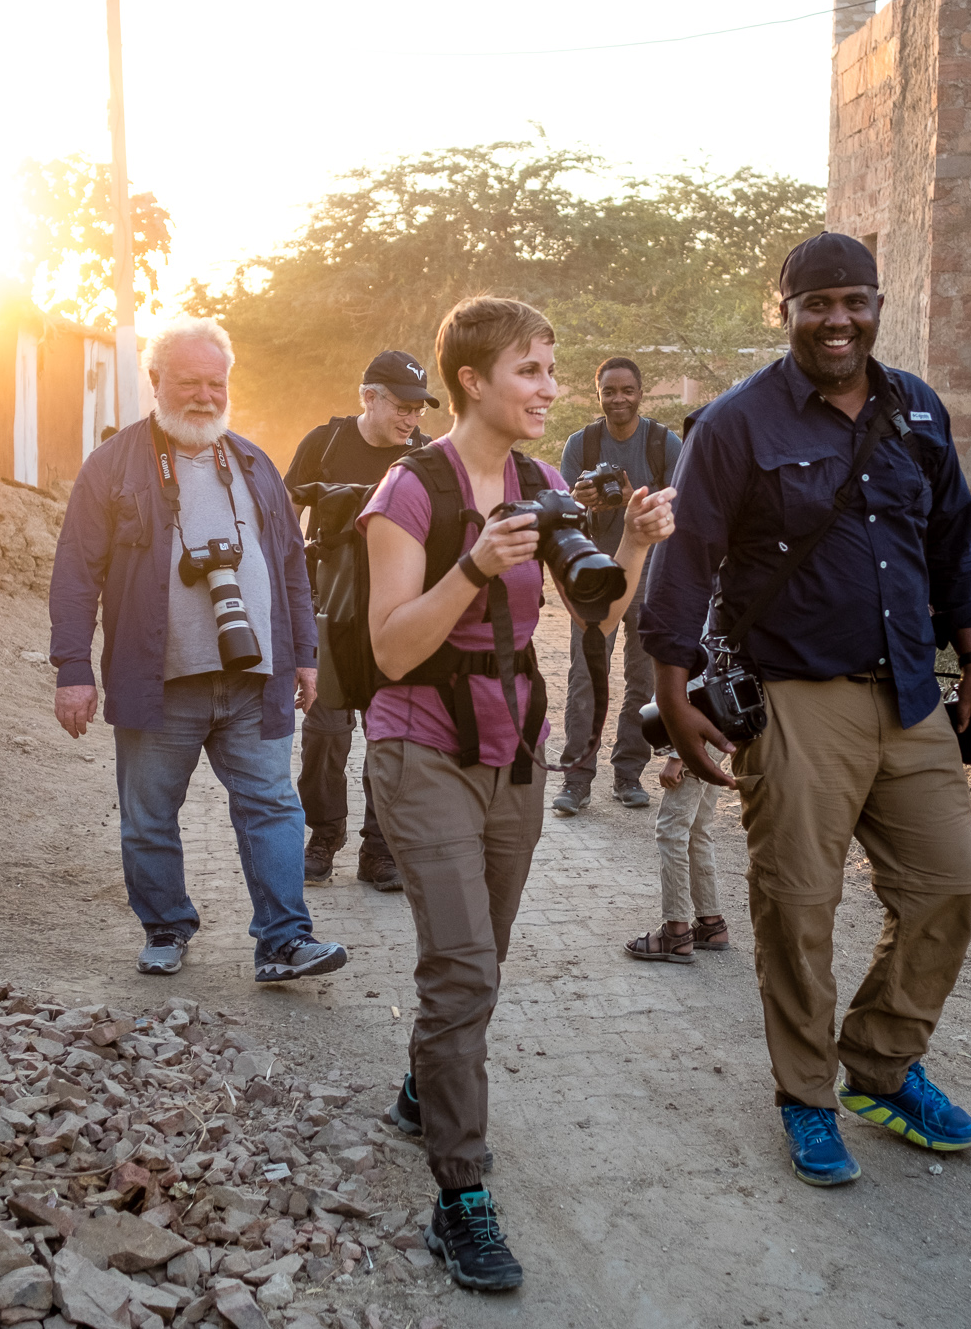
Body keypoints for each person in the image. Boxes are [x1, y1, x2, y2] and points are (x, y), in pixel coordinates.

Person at [641, 232, 971, 1188]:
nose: (837, 320)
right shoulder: (734, 425)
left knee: (946, 886)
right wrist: (671, 694)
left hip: (911, 694)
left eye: (854, 300)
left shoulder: (917, 408)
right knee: (798, 906)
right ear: (785, 310)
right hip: (797, 699)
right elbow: (686, 561)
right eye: (817, 304)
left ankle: (882, 1064)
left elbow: (951, 539)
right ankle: (807, 1097)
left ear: (879, 303)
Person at [361, 297, 673, 1291]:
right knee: (460, 970)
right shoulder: (407, 492)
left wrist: (630, 545)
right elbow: (389, 649)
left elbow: (599, 617)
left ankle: (426, 1080)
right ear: (472, 381)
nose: (549, 388)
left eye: (550, 368)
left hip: (516, 752)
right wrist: (472, 563)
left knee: (480, 959)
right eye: (530, 370)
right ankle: (460, 1192)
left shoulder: (544, 483)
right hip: (420, 751)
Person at [48, 317, 350, 985]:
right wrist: (73, 668)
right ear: (156, 382)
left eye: (216, 383)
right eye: (189, 382)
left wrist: (305, 652)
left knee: (272, 804)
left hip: (255, 680)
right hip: (160, 681)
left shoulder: (253, 461)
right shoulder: (113, 465)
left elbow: (292, 566)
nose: (205, 396)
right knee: (149, 815)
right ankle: (165, 925)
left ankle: (284, 939)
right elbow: (75, 572)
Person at [284, 350, 439, 891]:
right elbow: (282, 522)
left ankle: (380, 849)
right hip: (330, 616)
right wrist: (289, 603)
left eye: (419, 409)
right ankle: (323, 836)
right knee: (325, 733)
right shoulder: (323, 445)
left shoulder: (425, 457)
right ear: (368, 397)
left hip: (398, 618)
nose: (412, 419)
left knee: (392, 738)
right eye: (402, 406)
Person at [551, 357, 682, 816]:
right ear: (598, 394)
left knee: (642, 681)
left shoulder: (664, 444)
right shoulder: (581, 444)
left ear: (641, 392)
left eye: (627, 390)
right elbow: (559, 520)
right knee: (586, 679)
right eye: (610, 391)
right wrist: (578, 501)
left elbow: (685, 514)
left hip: (650, 580)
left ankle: (628, 775)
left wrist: (631, 502)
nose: (618, 399)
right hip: (592, 580)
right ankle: (576, 780)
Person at [621, 743, 729, 962]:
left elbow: (696, 706)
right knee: (698, 830)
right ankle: (711, 924)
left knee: (672, 831)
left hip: (696, 740)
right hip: (718, 733)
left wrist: (677, 756)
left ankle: (676, 933)